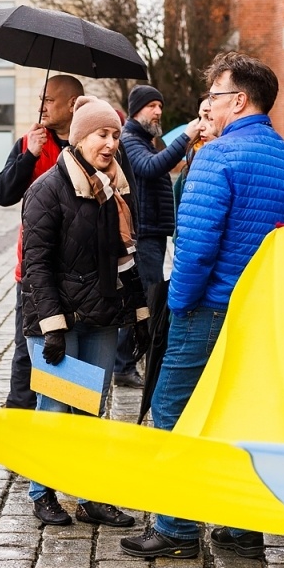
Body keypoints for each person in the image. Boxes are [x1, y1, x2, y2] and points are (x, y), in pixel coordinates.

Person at [125, 51, 284, 560]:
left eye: (213, 96)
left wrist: (180, 305)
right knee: (244, 418)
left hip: (209, 307)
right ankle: (242, 525)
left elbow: (196, 245)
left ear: (239, 100)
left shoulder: (217, 157)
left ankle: (177, 528)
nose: (207, 105)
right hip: (265, 312)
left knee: (174, 411)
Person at [21, 95, 148, 527]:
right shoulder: (48, 189)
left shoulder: (111, 189)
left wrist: (141, 315)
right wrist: (52, 327)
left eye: (115, 134)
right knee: (56, 405)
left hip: (100, 315)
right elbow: (35, 264)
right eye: (101, 134)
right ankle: (42, 491)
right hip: (55, 318)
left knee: (91, 408)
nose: (111, 143)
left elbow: (125, 256)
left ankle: (92, 496)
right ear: (79, 138)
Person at [0, 75, 86, 410]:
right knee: (27, 347)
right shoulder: (30, 143)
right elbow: (3, 193)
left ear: (73, 104)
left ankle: (70, 424)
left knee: (76, 350)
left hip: (80, 274)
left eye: (49, 99)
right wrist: (29, 156)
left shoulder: (91, 144)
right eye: (41, 99)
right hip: (35, 271)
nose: (41, 106)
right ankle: (19, 412)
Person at [117, 84, 203, 388]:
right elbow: (150, 168)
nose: (158, 112)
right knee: (140, 300)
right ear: (135, 110)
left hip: (152, 233)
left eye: (160, 107)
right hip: (143, 236)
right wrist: (186, 138)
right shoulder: (130, 140)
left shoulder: (144, 140)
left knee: (144, 299)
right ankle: (123, 365)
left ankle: (126, 362)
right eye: (152, 106)